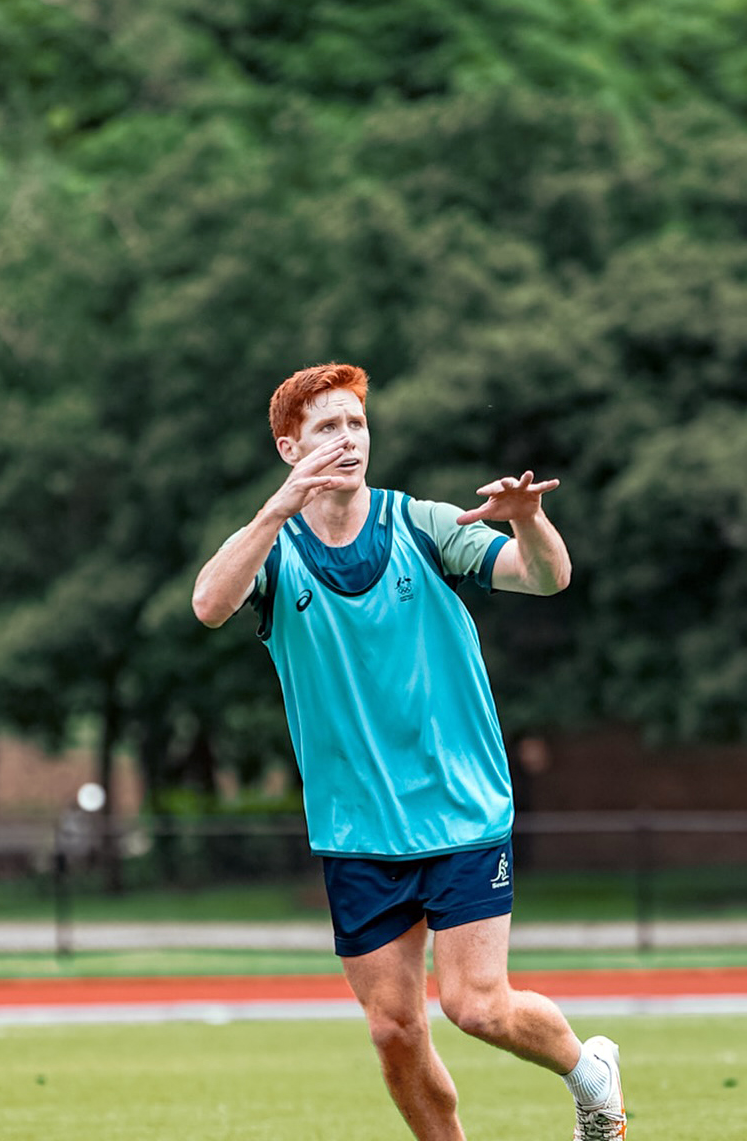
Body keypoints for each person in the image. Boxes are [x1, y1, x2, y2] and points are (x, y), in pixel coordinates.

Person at [192, 362, 626, 1141]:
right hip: (358, 830)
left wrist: (527, 519)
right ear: (291, 448)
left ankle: (591, 1078)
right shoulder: (276, 547)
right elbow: (209, 604)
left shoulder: (422, 525)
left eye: (357, 423)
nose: (349, 438)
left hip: (460, 807)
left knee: (475, 1007)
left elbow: (547, 576)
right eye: (328, 427)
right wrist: (275, 510)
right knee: (393, 1032)